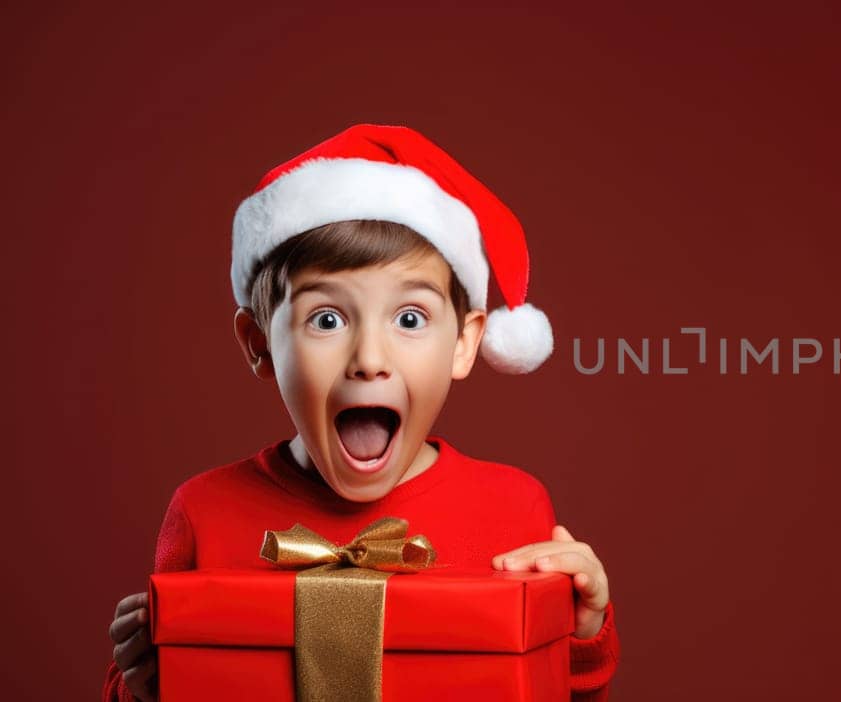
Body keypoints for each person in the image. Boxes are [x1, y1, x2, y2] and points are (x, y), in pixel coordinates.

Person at [102, 124, 619, 701]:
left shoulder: (516, 508)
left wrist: (582, 634)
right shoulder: (203, 511)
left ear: (464, 343)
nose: (369, 360)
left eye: (410, 319)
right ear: (258, 343)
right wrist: (142, 683)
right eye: (327, 320)